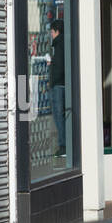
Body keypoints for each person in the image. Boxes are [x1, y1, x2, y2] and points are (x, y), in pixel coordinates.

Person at [48, 20, 66, 157]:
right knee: (61, 115)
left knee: (58, 116)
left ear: (56, 31)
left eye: (52, 32)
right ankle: (64, 144)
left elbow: (59, 67)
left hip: (58, 86)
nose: (51, 34)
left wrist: (51, 63)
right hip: (62, 85)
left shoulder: (59, 45)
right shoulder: (64, 43)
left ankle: (63, 145)